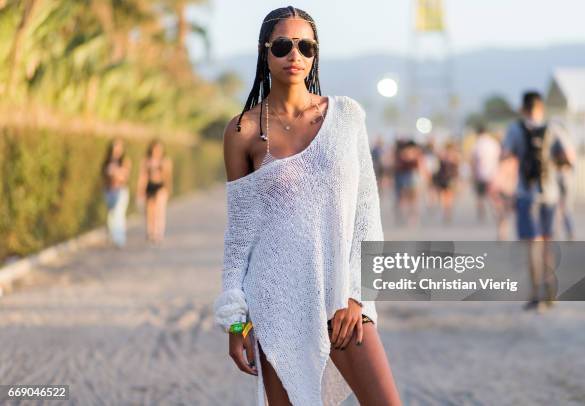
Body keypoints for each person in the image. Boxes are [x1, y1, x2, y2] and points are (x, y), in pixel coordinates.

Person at [212, 7, 401, 406]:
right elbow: (240, 232)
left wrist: (356, 293)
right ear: (265, 52)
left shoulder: (347, 116)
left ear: (315, 54)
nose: (294, 54)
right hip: (276, 301)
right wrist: (235, 317)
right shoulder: (243, 131)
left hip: (340, 298)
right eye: (282, 45)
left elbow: (367, 214)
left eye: (305, 46)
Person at [501, 91, 573, 311]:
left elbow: (504, 155)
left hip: (526, 193)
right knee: (548, 242)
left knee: (533, 244)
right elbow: (568, 157)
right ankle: (550, 289)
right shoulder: (553, 128)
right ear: (541, 107)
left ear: (523, 108)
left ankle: (535, 293)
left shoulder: (515, 129)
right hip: (550, 194)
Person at [137, 139, 173, 244]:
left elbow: (168, 176)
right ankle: (150, 232)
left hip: (160, 186)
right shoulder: (146, 160)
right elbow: (143, 176)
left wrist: (168, 189)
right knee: (149, 211)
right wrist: (140, 189)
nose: (156, 151)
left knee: (159, 210)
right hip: (150, 186)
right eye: (155, 149)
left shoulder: (165, 160)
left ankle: (158, 233)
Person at [101, 137, 131, 248]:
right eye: (115, 146)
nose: (116, 149)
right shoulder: (107, 160)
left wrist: (116, 172)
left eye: (119, 147)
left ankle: (120, 238)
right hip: (109, 191)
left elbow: (125, 176)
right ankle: (113, 236)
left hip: (120, 191)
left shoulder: (125, 160)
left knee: (119, 214)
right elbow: (104, 175)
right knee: (111, 215)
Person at [470, 125, 501, 222]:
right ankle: (497, 212)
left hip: (480, 174)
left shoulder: (477, 144)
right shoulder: (494, 143)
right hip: (494, 174)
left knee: (480, 196)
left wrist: (473, 174)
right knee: (494, 196)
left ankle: (481, 214)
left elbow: (474, 161)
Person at [433, 140, 461, 223]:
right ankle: (447, 210)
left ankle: (446, 210)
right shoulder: (455, 155)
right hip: (450, 178)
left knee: (444, 196)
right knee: (449, 196)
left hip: (444, 178)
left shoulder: (443, 155)